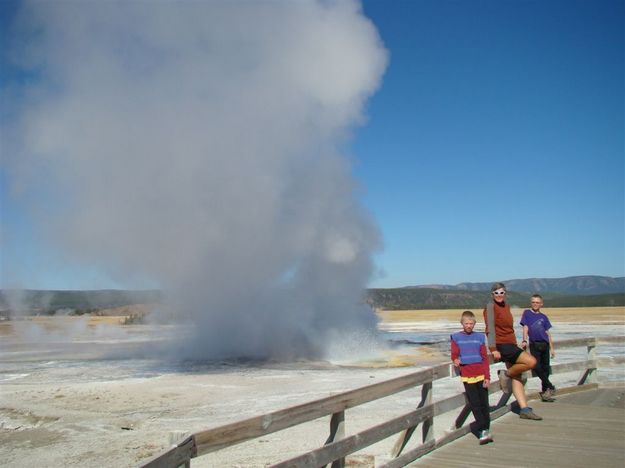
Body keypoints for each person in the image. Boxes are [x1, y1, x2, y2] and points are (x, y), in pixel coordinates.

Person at [483, 282, 542, 420]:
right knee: (531, 362)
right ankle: (506, 374)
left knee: (518, 377)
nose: (499, 295)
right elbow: (489, 328)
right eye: (496, 293)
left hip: (510, 343)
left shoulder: (506, 306)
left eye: (502, 292)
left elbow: (509, 328)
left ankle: (524, 409)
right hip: (502, 344)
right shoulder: (490, 307)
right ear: (492, 294)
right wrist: (492, 348)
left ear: (505, 294)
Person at [451, 310, 493, 444]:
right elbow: (454, 353)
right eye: (466, 323)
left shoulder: (480, 337)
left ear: (474, 324)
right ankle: (482, 430)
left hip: (480, 374)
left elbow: (484, 358)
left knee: (484, 403)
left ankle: (485, 429)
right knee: (475, 403)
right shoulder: (456, 337)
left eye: (471, 323)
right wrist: (455, 359)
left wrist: (487, 376)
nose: (469, 326)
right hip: (467, 375)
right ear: (462, 323)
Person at [521, 294, 556, 402]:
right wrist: (524, 339)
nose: (535, 304)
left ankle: (546, 392)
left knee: (545, 368)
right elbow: (525, 327)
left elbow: (547, 333)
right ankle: (550, 385)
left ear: (541, 304)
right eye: (533, 302)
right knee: (536, 366)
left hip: (545, 344)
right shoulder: (527, 313)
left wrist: (552, 348)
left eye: (537, 302)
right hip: (534, 344)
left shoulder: (544, 317)